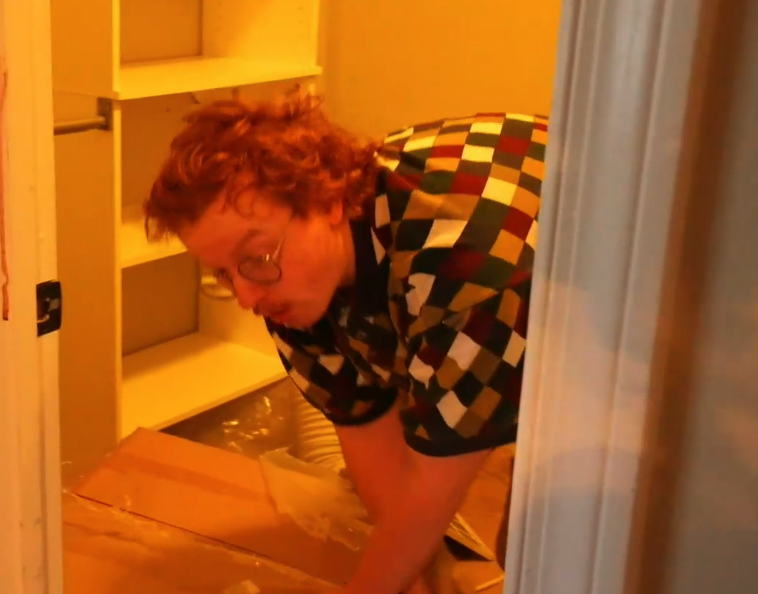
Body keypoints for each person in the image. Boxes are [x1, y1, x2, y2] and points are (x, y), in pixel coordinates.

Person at [143, 89, 547, 594]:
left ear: (328, 201)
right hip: (503, 276)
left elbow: (432, 490)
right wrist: (422, 581)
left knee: (543, 547)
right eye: (224, 273)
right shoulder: (287, 284)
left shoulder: (468, 275)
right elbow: (377, 454)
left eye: (255, 259)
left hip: (605, 300)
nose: (245, 296)